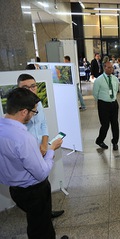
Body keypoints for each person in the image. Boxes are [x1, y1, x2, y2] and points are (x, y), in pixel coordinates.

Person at [0, 88, 66, 239]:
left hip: (15, 190)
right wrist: (51, 150)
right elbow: (42, 173)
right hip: (34, 191)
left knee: (35, 222)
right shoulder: (24, 138)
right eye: (34, 112)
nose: (34, 115)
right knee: (41, 229)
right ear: (24, 112)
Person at [17, 73, 65, 219]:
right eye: (25, 87)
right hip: (28, 154)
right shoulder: (17, 111)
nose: (31, 90)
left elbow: (43, 124)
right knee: (35, 191)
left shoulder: (39, 104)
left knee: (44, 185)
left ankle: (46, 212)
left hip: (42, 149)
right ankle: (40, 215)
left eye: (33, 86)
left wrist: (45, 144)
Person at [93, 61, 119, 151]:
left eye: (112, 67)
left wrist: (112, 98)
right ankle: (99, 140)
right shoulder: (99, 80)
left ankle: (115, 142)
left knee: (115, 124)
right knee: (105, 125)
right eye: (108, 67)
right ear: (104, 68)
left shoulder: (115, 79)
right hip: (103, 104)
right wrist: (102, 101)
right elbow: (95, 93)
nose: (111, 69)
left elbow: (116, 90)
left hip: (114, 103)